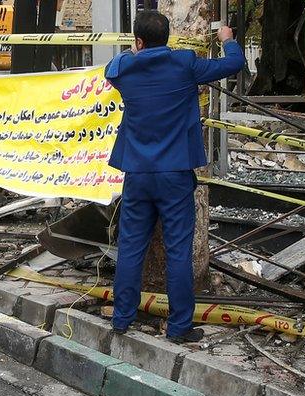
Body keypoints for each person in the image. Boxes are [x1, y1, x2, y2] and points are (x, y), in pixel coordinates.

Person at [106, 10, 244, 343]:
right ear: (168, 38)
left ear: (138, 41)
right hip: (175, 175)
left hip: (137, 174)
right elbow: (232, 65)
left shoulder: (123, 68)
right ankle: (179, 327)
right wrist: (228, 41)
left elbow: (113, 67)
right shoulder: (184, 65)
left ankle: (122, 319)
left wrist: (136, 52)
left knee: (130, 248)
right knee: (179, 251)